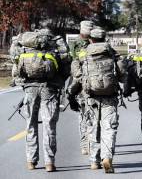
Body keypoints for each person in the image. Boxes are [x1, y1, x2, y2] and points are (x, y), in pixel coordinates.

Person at [11, 28, 70, 172]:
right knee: (49, 125)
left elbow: (15, 62)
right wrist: (60, 81)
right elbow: (66, 65)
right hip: (49, 89)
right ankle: (49, 162)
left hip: (30, 89)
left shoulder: (25, 46)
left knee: (30, 124)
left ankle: (31, 161)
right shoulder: (54, 45)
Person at [68, 28, 125, 173]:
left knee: (93, 127)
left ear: (91, 39)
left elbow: (76, 73)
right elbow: (122, 73)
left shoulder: (83, 53)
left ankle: (94, 161)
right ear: (104, 38)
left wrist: (73, 90)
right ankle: (107, 157)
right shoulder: (112, 53)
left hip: (90, 96)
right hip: (110, 95)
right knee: (109, 127)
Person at [68, 20, 94, 155]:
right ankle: (93, 143)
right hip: (94, 84)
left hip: (79, 84)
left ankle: (85, 144)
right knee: (94, 116)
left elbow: (71, 65)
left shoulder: (73, 45)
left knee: (83, 116)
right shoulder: (97, 43)